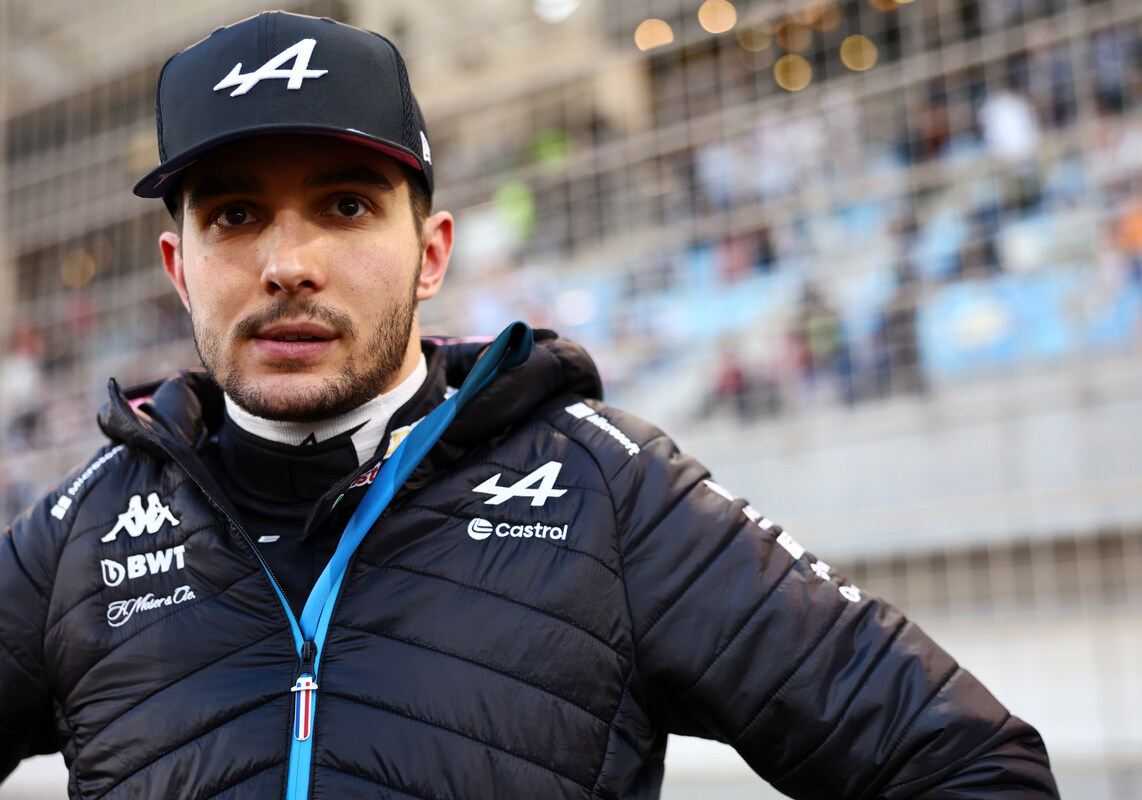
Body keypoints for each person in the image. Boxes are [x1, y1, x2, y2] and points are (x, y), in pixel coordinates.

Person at [0, 12, 1059, 800]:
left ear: (431, 253)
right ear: (181, 268)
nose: (288, 263)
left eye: (345, 204)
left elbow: (966, 760)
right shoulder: (81, 529)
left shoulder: (604, 485)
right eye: (237, 213)